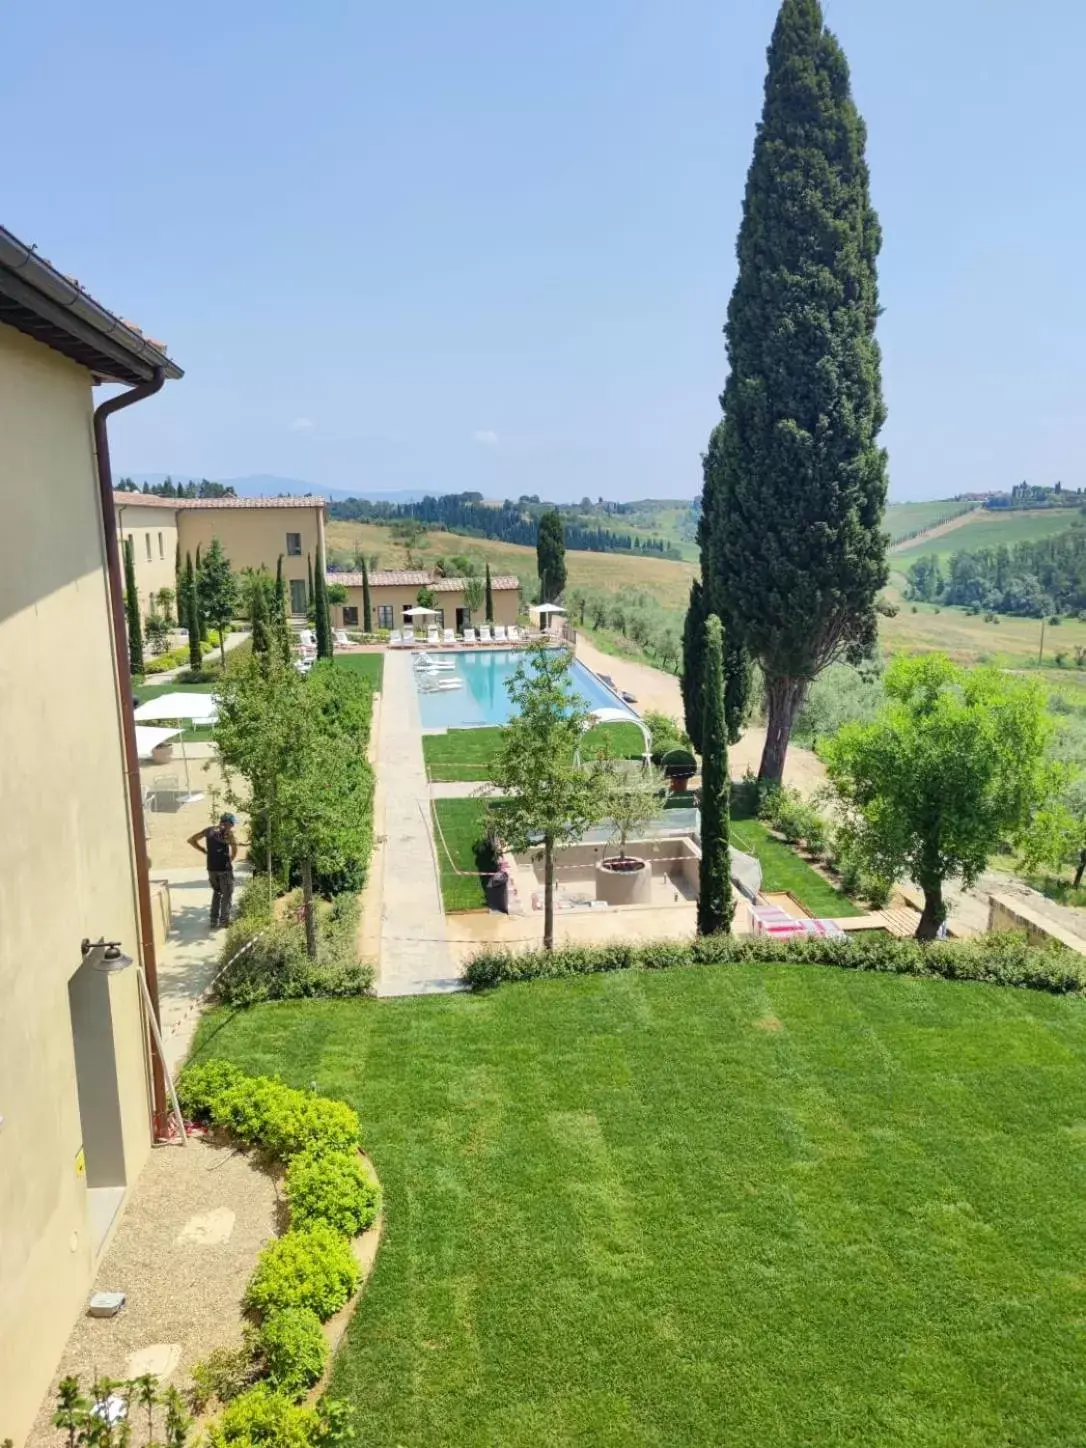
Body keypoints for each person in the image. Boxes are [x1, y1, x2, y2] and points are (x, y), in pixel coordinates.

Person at [188, 813, 238, 928]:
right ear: (228, 823)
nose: (233, 826)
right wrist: (230, 860)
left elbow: (191, 840)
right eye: (232, 824)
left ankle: (213, 920)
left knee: (217, 892)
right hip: (224, 869)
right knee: (227, 894)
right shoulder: (228, 833)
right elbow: (234, 850)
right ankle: (224, 921)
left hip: (211, 869)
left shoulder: (208, 830)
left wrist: (203, 850)